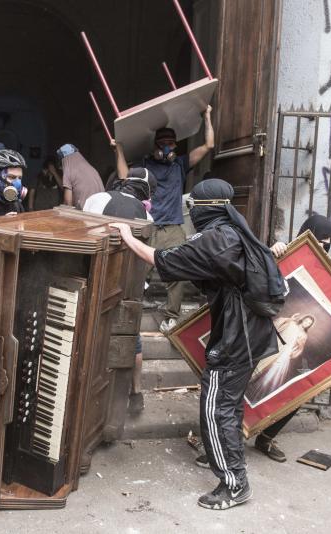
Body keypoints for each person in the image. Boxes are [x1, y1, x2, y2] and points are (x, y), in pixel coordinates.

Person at [111, 178, 285, 510]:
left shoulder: (217, 239)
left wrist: (128, 237)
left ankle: (234, 484)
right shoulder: (233, 231)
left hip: (237, 338)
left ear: (206, 208)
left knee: (216, 409)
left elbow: (161, 259)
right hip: (248, 332)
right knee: (228, 407)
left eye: (193, 207)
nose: (190, 211)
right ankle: (224, 456)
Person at [198, 214, 331, 465]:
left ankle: (266, 437)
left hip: (281, 354)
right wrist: (271, 254)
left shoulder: (328, 271)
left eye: (328, 243)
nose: (323, 247)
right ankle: (223, 445)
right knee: (239, 391)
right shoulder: (282, 253)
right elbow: (250, 275)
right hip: (254, 336)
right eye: (320, 241)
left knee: (294, 392)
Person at [84, 141, 156, 413]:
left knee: (92, 336)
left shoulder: (97, 198)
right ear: (147, 193)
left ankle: (92, 395)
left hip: (97, 281)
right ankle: (135, 394)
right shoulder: (146, 214)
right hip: (130, 286)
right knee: (132, 339)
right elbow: (146, 256)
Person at [144, 105, 214, 333]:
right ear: (155, 146)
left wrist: (207, 117)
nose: (166, 148)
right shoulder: (146, 165)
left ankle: (171, 316)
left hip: (173, 227)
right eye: (162, 144)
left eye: (171, 144)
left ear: (176, 145)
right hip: (150, 225)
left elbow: (209, 145)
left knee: (177, 273)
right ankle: (132, 308)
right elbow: (124, 174)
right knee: (138, 272)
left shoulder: (180, 165)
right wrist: (119, 149)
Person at [54, 143, 104, 210]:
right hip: (102, 210)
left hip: (86, 213)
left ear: (63, 160)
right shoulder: (91, 168)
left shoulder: (69, 171)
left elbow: (68, 204)